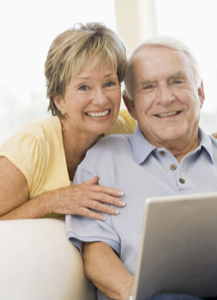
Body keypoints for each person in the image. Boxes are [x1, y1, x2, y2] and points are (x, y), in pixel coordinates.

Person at [66, 36, 217, 300]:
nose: (165, 98)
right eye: (148, 87)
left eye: (177, 81)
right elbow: (96, 253)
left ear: (199, 93)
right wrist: (134, 292)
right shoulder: (104, 160)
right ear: (130, 105)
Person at [0, 22, 136, 220]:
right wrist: (52, 200)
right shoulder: (31, 148)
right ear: (59, 100)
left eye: (109, 83)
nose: (100, 100)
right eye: (83, 87)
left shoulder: (128, 130)